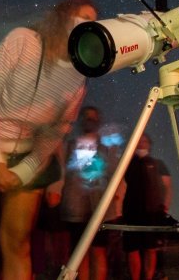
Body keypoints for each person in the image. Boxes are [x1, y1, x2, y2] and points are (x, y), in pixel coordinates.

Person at [0, 0, 98, 280]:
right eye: (85, 17)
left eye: (95, 21)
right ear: (64, 18)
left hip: (27, 152)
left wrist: (26, 169)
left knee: (17, 242)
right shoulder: (23, 40)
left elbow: (57, 130)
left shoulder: (79, 76)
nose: (92, 25)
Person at [59, 106, 124, 280]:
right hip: (76, 209)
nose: (90, 120)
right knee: (79, 255)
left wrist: (117, 205)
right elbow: (63, 173)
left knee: (98, 251)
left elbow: (115, 174)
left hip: (99, 209)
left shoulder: (107, 148)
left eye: (93, 117)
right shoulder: (70, 146)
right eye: (87, 117)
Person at [122, 133, 172, 280]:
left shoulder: (158, 163)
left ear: (149, 144)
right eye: (138, 141)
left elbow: (167, 187)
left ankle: (149, 277)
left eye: (144, 141)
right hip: (131, 212)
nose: (141, 143)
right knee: (132, 249)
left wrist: (164, 207)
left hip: (152, 212)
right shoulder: (127, 164)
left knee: (151, 248)